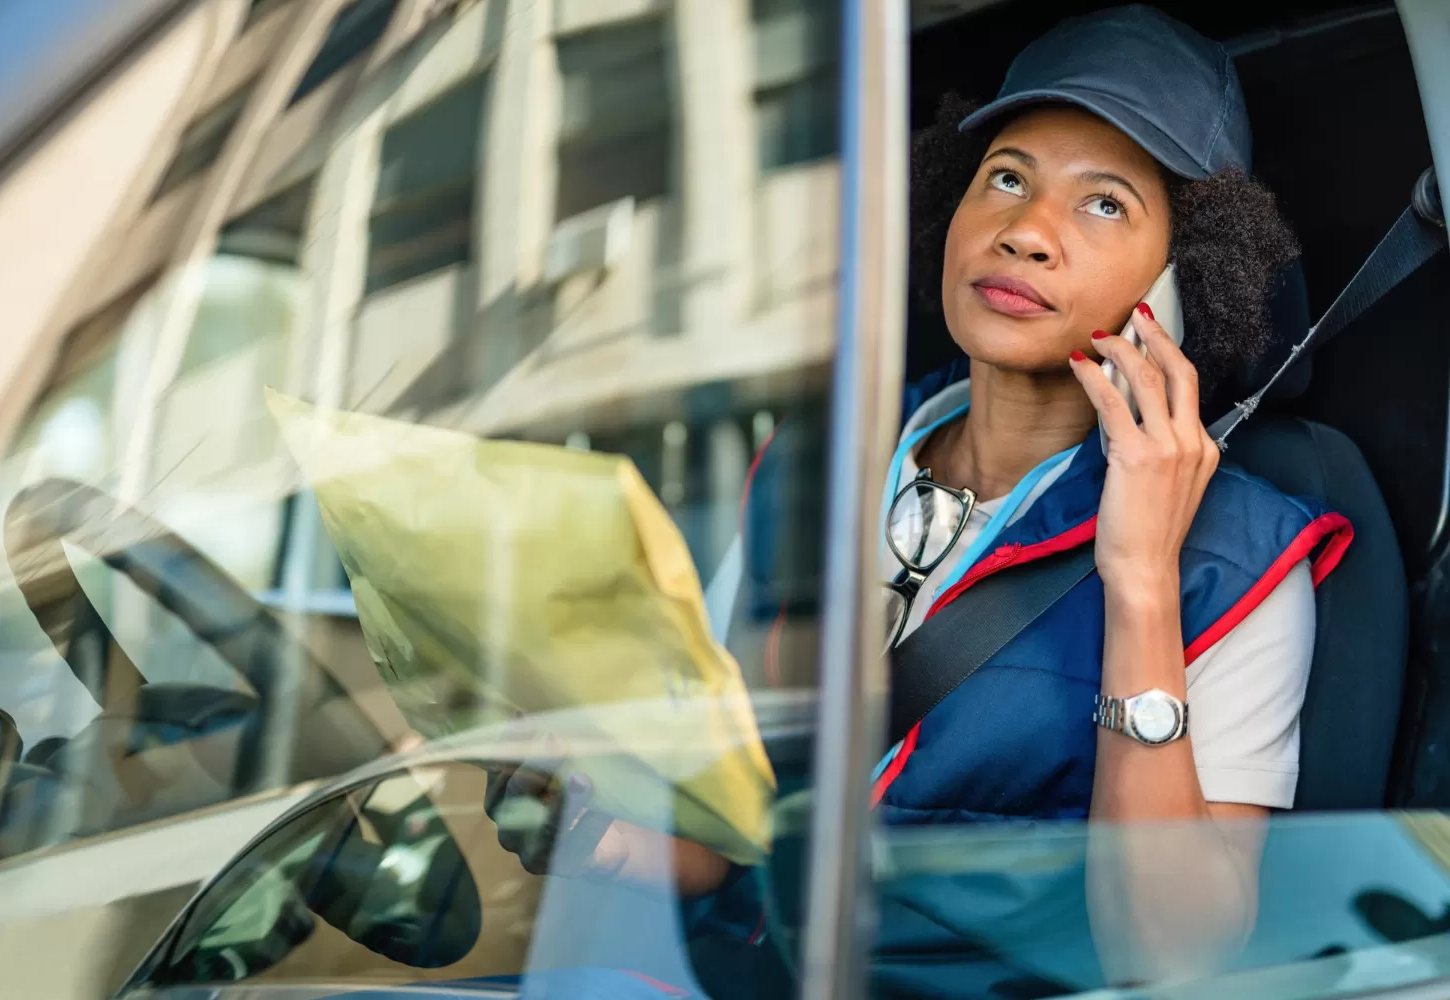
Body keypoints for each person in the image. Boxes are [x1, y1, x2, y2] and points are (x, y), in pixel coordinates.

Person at [483, 4, 1353, 991]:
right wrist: (592, 827)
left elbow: (1171, 956)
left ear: (1180, 286)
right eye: (1007, 179)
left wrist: (1143, 581)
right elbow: (736, 830)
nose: (1027, 231)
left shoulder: (1243, 559)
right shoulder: (813, 466)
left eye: (1103, 203)